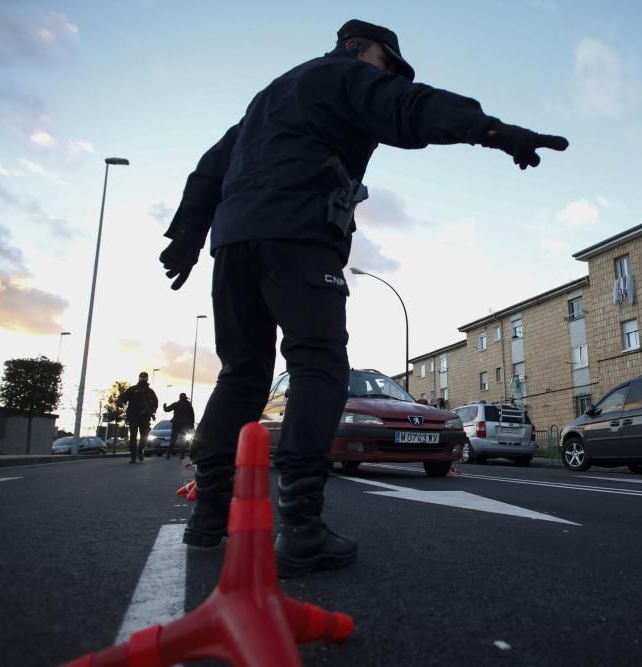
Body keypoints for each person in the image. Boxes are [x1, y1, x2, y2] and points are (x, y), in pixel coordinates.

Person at [159, 19, 567, 577]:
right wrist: (494, 131)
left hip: (233, 243)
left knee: (241, 375)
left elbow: (211, 165)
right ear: (356, 48)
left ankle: (208, 517)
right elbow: (411, 107)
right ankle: (301, 526)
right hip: (298, 233)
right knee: (319, 364)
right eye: (387, 62)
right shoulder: (344, 74)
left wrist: (187, 234)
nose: (390, 73)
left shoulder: (271, 95)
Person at [117, 372, 159, 463]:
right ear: (139, 378)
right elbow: (123, 397)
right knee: (133, 436)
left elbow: (155, 403)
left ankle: (140, 450)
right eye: (142, 377)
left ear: (147, 379)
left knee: (145, 436)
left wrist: (151, 411)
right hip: (133, 416)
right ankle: (133, 456)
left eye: (145, 378)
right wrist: (120, 402)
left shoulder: (150, 392)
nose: (143, 379)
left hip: (145, 417)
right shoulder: (132, 389)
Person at [163, 393, 196, 459]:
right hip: (184, 425)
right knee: (182, 440)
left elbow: (167, 409)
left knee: (173, 440)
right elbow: (192, 415)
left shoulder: (176, 404)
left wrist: (164, 406)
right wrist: (191, 424)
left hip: (176, 424)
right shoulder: (188, 405)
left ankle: (168, 454)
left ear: (180, 397)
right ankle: (182, 455)